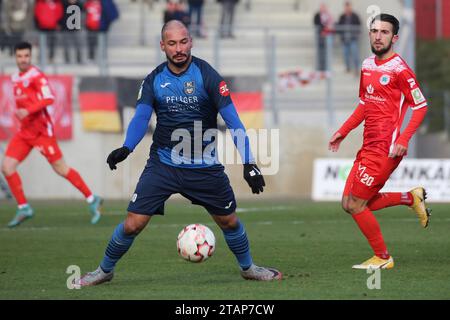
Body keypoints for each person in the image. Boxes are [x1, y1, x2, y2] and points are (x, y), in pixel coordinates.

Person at [78, 20, 282, 286]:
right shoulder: (154, 80)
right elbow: (141, 117)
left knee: (229, 221)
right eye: (172, 43)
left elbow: (233, 121)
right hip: (164, 165)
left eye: (183, 42)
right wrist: (127, 147)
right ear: (162, 46)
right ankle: (104, 270)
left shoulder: (207, 75)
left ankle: (248, 267)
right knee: (133, 224)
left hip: (204, 167)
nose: (179, 49)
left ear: (191, 42)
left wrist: (249, 162)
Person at [328, 14, 431, 270]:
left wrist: (404, 138)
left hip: (387, 148)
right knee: (348, 204)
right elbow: (365, 104)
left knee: (355, 204)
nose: (377, 36)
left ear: (394, 38)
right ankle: (410, 198)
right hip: (368, 145)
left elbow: (420, 105)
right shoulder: (366, 65)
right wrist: (344, 130)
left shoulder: (400, 70)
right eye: (374, 31)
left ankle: (383, 258)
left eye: (384, 32)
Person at [1, 42, 103, 228]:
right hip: (25, 133)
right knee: (7, 167)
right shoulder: (15, 77)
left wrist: (28, 111)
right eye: (19, 56)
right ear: (15, 57)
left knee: (61, 169)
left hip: (41, 132)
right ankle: (24, 207)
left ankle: (92, 198)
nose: (23, 59)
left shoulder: (36, 76)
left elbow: (49, 98)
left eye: (26, 56)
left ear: (30, 57)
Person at [337, 2, 361, 75]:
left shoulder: (355, 16)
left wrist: (356, 34)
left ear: (351, 7)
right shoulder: (342, 16)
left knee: (355, 54)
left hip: (353, 39)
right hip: (345, 40)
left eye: (348, 7)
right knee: (345, 54)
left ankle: (356, 69)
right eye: (346, 7)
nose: (347, 9)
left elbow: (359, 26)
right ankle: (348, 68)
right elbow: (339, 27)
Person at [313, 3, 334, 71]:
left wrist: (326, 31)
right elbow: (316, 24)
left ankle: (327, 67)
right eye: (322, 7)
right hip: (320, 38)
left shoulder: (329, 16)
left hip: (327, 38)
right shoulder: (317, 15)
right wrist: (323, 31)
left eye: (324, 7)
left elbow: (331, 25)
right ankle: (320, 68)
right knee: (320, 54)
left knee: (327, 53)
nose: (323, 9)